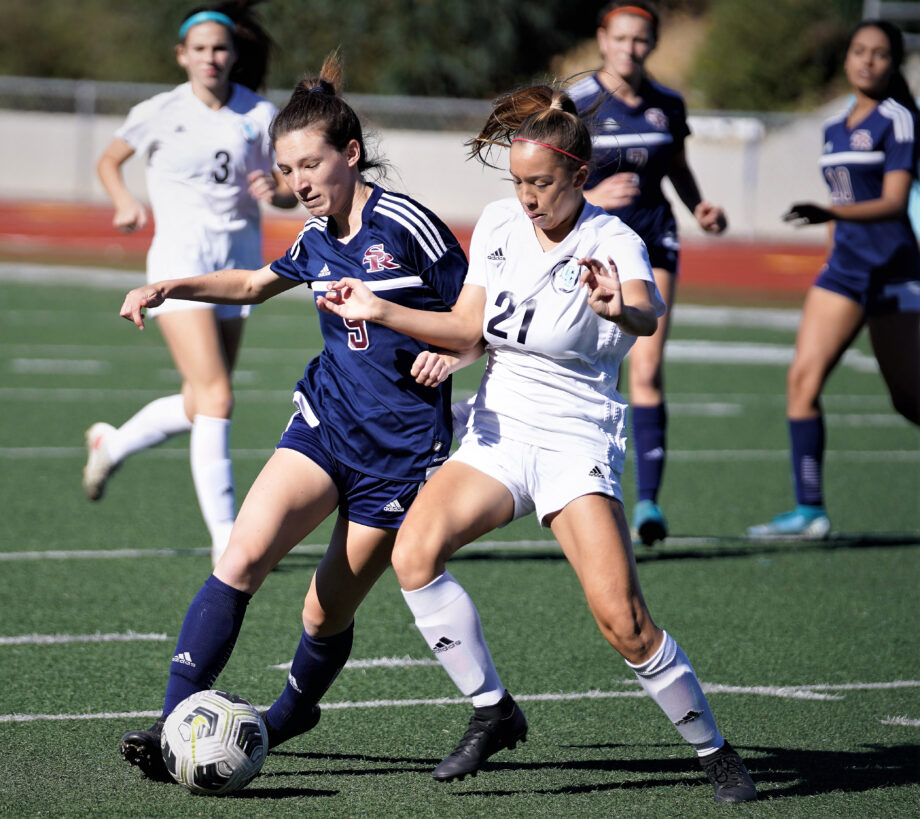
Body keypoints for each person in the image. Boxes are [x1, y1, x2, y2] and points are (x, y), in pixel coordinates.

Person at [317, 83, 757, 803]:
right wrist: (380, 309)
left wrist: (623, 306)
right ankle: (494, 710)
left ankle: (713, 749)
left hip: (573, 439)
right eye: (518, 181)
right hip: (498, 430)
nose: (526, 197)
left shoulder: (611, 240)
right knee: (414, 551)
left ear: (579, 177)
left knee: (625, 622)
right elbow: (466, 330)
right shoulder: (495, 222)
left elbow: (647, 308)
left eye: (542, 183)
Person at [115, 51, 470, 783]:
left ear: (351, 153)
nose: (299, 182)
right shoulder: (313, 238)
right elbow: (251, 280)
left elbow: (482, 311)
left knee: (321, 613)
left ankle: (293, 709)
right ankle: (170, 724)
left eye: (311, 165)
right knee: (241, 558)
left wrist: (459, 357)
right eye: (287, 170)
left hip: (400, 454)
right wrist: (170, 283)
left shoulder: (408, 225)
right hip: (325, 425)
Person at [85, 2, 297, 565]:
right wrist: (125, 200)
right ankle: (227, 539)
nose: (211, 57)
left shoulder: (260, 113)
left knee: (201, 399)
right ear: (182, 55)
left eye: (220, 48)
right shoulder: (158, 111)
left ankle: (113, 442)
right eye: (200, 48)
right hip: (177, 265)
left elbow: (288, 185)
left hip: (238, 268)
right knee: (219, 396)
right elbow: (110, 161)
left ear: (234, 55)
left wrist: (274, 192)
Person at [748, 19, 920, 539]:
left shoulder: (901, 120)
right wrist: (833, 234)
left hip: (894, 273)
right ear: (847, 59)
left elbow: (893, 202)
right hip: (844, 272)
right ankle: (810, 511)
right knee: (802, 380)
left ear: (894, 64)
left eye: (880, 54)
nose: (868, 61)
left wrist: (830, 213)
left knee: (909, 400)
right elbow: (843, 204)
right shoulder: (833, 127)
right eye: (859, 51)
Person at [567, 0, 727, 546]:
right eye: (621, 38)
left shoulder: (668, 104)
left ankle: (649, 505)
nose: (631, 49)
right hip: (591, 245)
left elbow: (677, 169)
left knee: (648, 362)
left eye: (641, 40)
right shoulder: (577, 102)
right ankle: (586, 488)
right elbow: (546, 175)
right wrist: (591, 194)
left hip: (653, 242)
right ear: (602, 39)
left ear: (651, 44)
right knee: (588, 362)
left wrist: (700, 206)